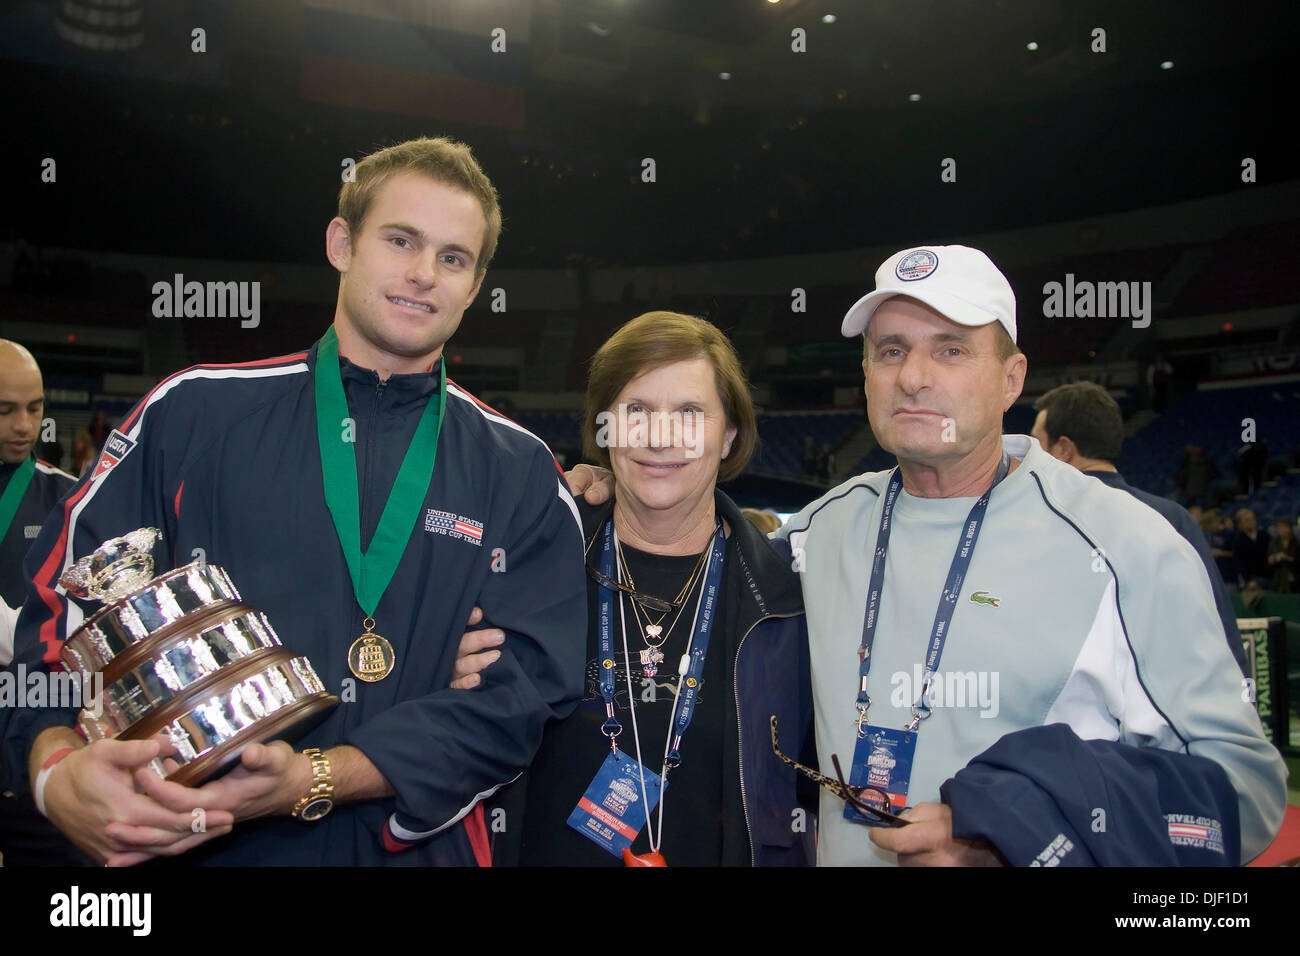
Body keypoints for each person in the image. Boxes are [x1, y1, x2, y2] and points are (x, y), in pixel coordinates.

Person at [1, 136, 588, 867]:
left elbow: (522, 699)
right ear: (342, 243)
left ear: (475, 286)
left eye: (453, 258)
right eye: (400, 240)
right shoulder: (194, 414)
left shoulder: (521, 469)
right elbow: (65, 604)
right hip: (199, 840)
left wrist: (317, 776)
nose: (422, 275)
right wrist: (56, 767)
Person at [775, 244, 1285, 865]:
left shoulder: (1127, 543)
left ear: (1011, 379)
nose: (912, 376)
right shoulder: (817, 531)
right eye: (891, 350)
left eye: (951, 349)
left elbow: (1244, 794)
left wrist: (1017, 834)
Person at [474, 312, 813, 866]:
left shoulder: (784, 600)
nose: (660, 436)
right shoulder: (532, 563)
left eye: (689, 412)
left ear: (728, 434)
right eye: (637, 410)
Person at [1030, 381, 1248, 675]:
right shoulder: (1172, 518)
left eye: (1035, 444)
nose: (1027, 458)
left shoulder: (1036, 523)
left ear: (1064, 450)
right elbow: (1218, 631)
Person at [0, 340, 90, 866]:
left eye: (34, 408)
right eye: (6, 409)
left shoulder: (72, 499)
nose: (24, 425)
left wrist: (18, 638)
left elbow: (84, 625)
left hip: (35, 750)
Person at [1233, 508, 1271, 587]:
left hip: (1268, 576)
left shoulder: (1264, 536)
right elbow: (1239, 563)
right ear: (1241, 523)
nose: (1251, 522)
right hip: (1251, 580)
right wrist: (1248, 580)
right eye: (1247, 520)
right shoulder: (1238, 540)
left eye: (1253, 519)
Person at [1267, 517, 1297, 593]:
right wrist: (1273, 559)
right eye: (1280, 527)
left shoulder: (1297, 543)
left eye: (1285, 527)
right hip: (1278, 578)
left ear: (1290, 528)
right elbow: (1269, 561)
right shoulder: (1273, 543)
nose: (1282, 530)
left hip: (1295, 577)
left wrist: (1287, 558)